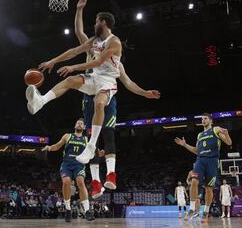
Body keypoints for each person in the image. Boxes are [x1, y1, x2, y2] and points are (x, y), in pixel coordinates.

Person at [27, 9, 160, 166]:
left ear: (103, 22)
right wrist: (53, 61)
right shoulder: (94, 41)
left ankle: (91, 146)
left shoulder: (114, 41)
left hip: (107, 81)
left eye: (96, 21)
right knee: (69, 80)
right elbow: (75, 50)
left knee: (99, 103)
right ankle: (40, 102)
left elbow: (120, 77)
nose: (94, 24)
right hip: (93, 78)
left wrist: (144, 93)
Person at [74, 0, 161, 198]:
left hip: (107, 97)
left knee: (108, 135)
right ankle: (95, 182)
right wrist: (79, 10)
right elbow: (79, 31)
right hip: (89, 96)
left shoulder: (117, 65)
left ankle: (111, 175)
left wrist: (145, 93)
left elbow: (129, 83)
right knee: (90, 141)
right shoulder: (92, 49)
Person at [174, 113, 232, 222]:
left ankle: (205, 211)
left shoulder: (216, 129)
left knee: (208, 189)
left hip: (212, 161)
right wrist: (185, 145)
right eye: (201, 119)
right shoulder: (199, 135)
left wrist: (227, 134)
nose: (203, 120)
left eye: (205, 118)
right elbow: (197, 151)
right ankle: (192, 208)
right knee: (194, 181)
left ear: (211, 121)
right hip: (200, 160)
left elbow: (229, 142)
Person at [41, 118, 94, 222]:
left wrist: (98, 152)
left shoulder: (86, 139)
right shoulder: (67, 136)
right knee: (66, 182)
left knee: (80, 182)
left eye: (81, 124)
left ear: (83, 127)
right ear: (75, 126)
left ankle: (87, 211)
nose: (79, 124)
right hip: (67, 164)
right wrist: (49, 148)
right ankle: (68, 208)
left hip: (79, 164)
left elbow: (92, 151)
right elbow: (57, 146)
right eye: (78, 123)